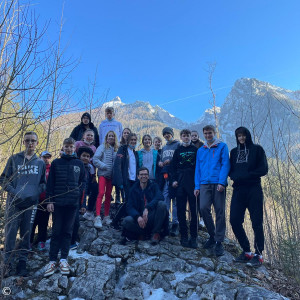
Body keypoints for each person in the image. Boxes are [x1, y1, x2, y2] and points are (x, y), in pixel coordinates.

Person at [0, 132, 46, 277]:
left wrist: (35, 193)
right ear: (23, 142)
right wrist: (14, 192)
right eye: (27, 141)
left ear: (37, 143)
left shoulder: (40, 163)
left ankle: (22, 264)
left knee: (26, 234)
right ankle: (7, 265)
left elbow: (43, 183)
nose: (30, 143)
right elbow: (3, 179)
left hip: (31, 204)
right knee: (11, 234)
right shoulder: (14, 159)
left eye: (33, 141)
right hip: (14, 203)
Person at [44, 138, 86, 277]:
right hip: (57, 203)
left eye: (71, 146)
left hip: (72, 204)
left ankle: (63, 259)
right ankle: (51, 261)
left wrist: (79, 199)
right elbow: (50, 184)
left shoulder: (79, 163)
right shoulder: (56, 162)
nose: (69, 149)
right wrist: (49, 201)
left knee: (68, 231)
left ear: (75, 148)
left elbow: (82, 183)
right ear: (63, 147)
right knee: (56, 231)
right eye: (66, 146)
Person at [229, 127, 268, 267]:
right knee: (234, 220)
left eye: (243, 135)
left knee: (256, 222)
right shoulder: (233, 152)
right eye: (239, 136)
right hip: (238, 190)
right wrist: (233, 176)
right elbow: (230, 169)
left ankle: (258, 254)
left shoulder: (257, 150)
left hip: (254, 189)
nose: (241, 138)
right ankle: (246, 251)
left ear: (248, 135)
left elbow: (263, 169)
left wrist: (247, 175)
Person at [194, 125, 230, 256]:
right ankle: (212, 235)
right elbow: (197, 169)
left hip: (217, 183)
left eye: (210, 133)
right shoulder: (201, 150)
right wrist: (197, 186)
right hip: (204, 184)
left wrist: (222, 182)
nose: (208, 135)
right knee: (203, 209)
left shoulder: (222, 146)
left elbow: (225, 164)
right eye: (206, 133)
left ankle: (219, 242)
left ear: (214, 133)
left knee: (220, 211)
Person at [121, 167, 168, 245]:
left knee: (162, 205)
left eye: (146, 174)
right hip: (139, 218)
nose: (144, 176)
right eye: (141, 174)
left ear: (148, 176)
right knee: (127, 221)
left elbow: (160, 196)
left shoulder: (154, 185)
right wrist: (137, 217)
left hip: (152, 217)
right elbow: (129, 207)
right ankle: (143, 234)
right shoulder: (133, 189)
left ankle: (155, 233)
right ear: (138, 176)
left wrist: (147, 208)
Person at [171, 129, 198, 248]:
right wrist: (173, 180)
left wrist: (198, 183)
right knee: (181, 210)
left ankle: (194, 237)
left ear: (190, 137)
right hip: (180, 183)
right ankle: (184, 236)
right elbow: (172, 167)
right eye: (184, 136)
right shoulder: (178, 151)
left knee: (194, 210)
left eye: (188, 136)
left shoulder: (195, 150)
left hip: (192, 183)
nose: (186, 138)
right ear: (181, 137)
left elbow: (199, 167)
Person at [112, 133, 139, 227]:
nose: (133, 141)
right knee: (126, 201)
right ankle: (115, 221)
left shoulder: (135, 152)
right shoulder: (122, 149)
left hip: (134, 180)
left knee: (130, 201)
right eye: (131, 140)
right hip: (125, 180)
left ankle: (125, 221)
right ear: (127, 141)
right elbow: (117, 165)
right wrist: (120, 181)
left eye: (135, 140)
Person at [70, 146, 94, 250]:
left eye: (88, 156)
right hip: (69, 198)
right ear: (79, 156)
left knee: (75, 223)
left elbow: (84, 189)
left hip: (78, 200)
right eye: (84, 156)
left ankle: (72, 242)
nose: (85, 158)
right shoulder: (74, 166)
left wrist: (83, 204)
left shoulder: (88, 170)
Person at [93, 131, 118, 229]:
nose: (111, 137)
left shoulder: (115, 149)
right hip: (103, 174)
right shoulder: (102, 147)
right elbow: (95, 159)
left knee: (108, 195)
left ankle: (106, 216)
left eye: (112, 136)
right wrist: (104, 166)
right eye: (109, 136)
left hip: (111, 176)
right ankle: (98, 216)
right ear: (106, 138)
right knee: (101, 193)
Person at [159, 127, 180, 236]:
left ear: (172, 134)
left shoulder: (178, 144)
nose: (167, 135)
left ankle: (175, 223)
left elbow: (179, 158)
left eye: (168, 133)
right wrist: (161, 163)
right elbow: (162, 159)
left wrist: (171, 161)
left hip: (175, 175)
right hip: (166, 176)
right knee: (165, 197)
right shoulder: (164, 147)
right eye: (165, 134)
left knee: (175, 199)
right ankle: (166, 221)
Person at [30, 151, 52, 251]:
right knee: (32, 221)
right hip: (35, 200)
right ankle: (29, 242)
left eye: (48, 157)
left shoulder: (52, 169)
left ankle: (41, 241)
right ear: (41, 157)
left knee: (44, 222)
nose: (46, 159)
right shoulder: (36, 168)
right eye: (44, 157)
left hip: (46, 200)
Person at [190, 130, 205, 228]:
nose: (194, 137)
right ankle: (193, 218)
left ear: (198, 136)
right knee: (191, 198)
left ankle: (202, 218)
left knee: (201, 198)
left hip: (200, 174)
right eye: (192, 135)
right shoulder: (188, 146)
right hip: (190, 175)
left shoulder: (202, 146)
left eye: (195, 135)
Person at [115, 128, 132, 204]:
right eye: (124, 133)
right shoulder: (119, 146)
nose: (126, 134)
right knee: (119, 186)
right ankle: (118, 200)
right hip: (119, 169)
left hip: (128, 172)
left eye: (127, 133)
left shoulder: (131, 147)